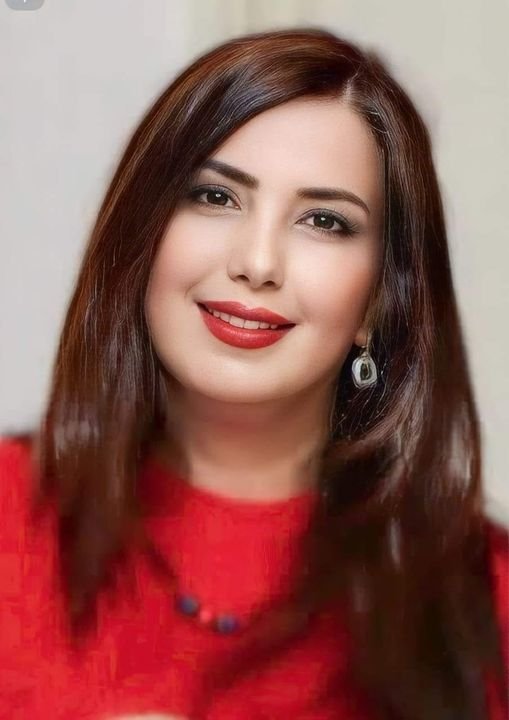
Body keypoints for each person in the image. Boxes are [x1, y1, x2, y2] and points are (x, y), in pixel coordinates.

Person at [0, 26, 507, 720]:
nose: (257, 262)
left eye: (323, 220)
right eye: (216, 198)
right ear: (142, 236)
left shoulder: (479, 595)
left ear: (376, 304)